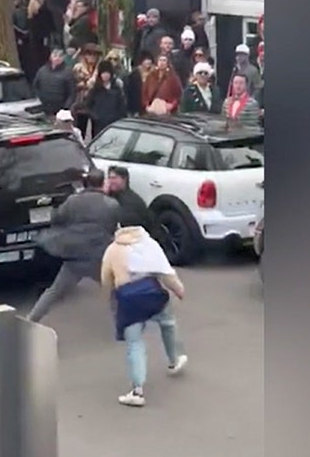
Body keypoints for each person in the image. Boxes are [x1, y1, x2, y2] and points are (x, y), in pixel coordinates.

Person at [100, 224, 189, 407]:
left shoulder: (112, 249)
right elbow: (165, 272)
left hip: (128, 300)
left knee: (135, 344)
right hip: (152, 293)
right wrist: (178, 289)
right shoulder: (148, 244)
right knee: (168, 323)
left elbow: (106, 280)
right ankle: (174, 360)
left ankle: (137, 391)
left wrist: (111, 303)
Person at [28, 169, 121, 323]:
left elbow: (57, 219)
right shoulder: (111, 204)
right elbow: (112, 228)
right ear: (102, 182)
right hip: (99, 256)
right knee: (114, 290)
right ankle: (121, 323)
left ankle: (32, 319)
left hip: (75, 255)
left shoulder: (73, 201)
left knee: (54, 291)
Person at [85, 60, 127, 136]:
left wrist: (117, 118)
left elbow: (122, 106)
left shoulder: (117, 89)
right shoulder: (95, 90)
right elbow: (88, 106)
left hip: (113, 124)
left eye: (107, 73)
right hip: (98, 125)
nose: (105, 75)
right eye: (103, 73)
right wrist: (95, 116)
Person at [32, 48, 75, 118]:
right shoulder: (42, 71)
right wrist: (39, 100)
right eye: (55, 55)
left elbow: (72, 93)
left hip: (60, 111)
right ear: (50, 56)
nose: (57, 58)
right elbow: (35, 86)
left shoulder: (68, 72)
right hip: (43, 109)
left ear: (63, 58)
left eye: (60, 56)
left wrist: (66, 108)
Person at [70, 44, 100, 138]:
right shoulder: (78, 68)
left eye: (94, 55)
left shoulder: (99, 68)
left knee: (96, 131)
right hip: (81, 104)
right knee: (80, 130)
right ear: (84, 55)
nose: (92, 57)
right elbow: (75, 84)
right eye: (89, 54)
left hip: (96, 104)